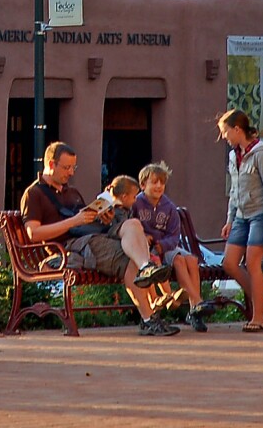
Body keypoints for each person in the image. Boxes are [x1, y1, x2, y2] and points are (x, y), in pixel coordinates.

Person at [20, 142, 178, 336]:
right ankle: (148, 318)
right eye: (67, 167)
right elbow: (33, 234)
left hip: (92, 234)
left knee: (133, 224)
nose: (71, 173)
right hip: (69, 247)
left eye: (73, 167)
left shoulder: (72, 192)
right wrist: (74, 221)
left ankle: (146, 267)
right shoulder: (34, 194)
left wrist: (101, 216)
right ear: (51, 165)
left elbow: (83, 220)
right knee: (130, 257)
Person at [218, 108, 263, 333]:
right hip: (241, 216)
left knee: (252, 263)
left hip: (260, 215)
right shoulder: (233, 155)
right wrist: (229, 219)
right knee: (229, 263)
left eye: (226, 132)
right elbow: (234, 190)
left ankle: (258, 318)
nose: (224, 137)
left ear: (238, 129)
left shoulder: (260, 154)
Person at [132, 162, 208, 331]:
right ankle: (197, 302)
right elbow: (131, 226)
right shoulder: (136, 204)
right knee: (180, 261)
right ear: (143, 185)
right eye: (154, 182)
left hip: (167, 245)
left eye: (162, 182)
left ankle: (194, 307)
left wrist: (163, 245)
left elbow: (174, 236)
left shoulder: (169, 207)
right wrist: (146, 238)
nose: (159, 186)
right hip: (148, 249)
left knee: (191, 260)